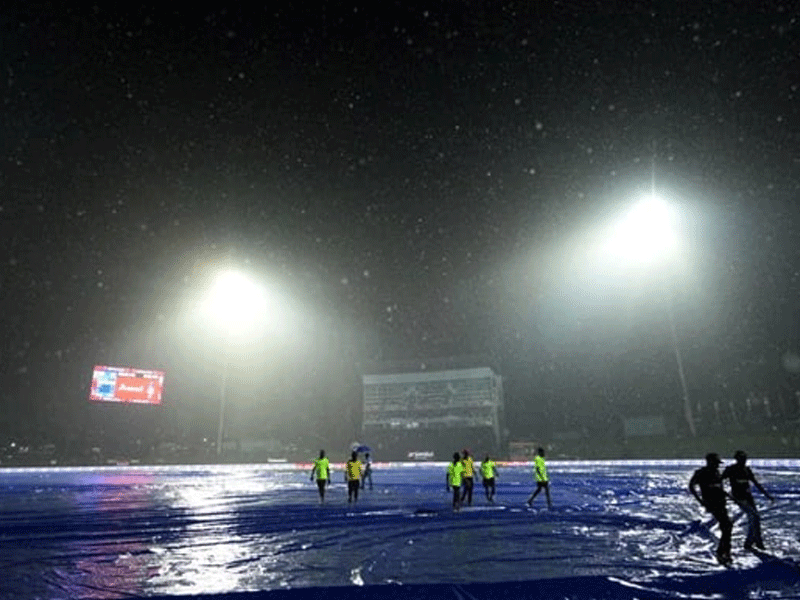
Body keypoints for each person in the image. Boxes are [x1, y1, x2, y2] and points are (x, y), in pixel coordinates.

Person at [722, 450, 774, 551]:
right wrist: (726, 494)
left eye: (745, 459)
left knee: (755, 519)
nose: (744, 461)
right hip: (739, 497)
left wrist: (767, 495)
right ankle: (755, 542)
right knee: (754, 516)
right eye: (742, 459)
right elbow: (720, 481)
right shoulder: (731, 469)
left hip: (748, 497)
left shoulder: (747, 470)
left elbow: (756, 483)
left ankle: (751, 542)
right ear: (737, 459)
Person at [689, 452, 732, 565]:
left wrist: (727, 495)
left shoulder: (717, 472)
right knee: (727, 525)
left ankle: (725, 551)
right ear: (709, 462)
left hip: (721, 502)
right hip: (712, 503)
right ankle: (723, 552)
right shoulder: (701, 473)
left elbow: (719, 487)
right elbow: (691, 486)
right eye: (716, 463)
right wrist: (700, 500)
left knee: (727, 526)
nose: (718, 465)